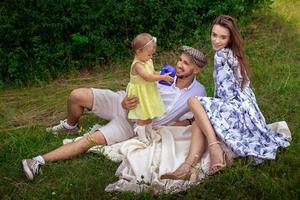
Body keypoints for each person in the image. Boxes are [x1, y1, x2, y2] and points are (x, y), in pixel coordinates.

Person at [21, 45, 208, 180]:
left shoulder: (198, 92)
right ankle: (71, 125)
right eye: (180, 60)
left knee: (87, 142)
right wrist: (127, 100)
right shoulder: (164, 75)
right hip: (122, 102)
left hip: (133, 124)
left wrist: (181, 124)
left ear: (197, 69)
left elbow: (198, 117)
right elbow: (137, 84)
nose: (180, 65)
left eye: (186, 63)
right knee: (76, 96)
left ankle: (37, 161)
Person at [161, 15, 290, 180]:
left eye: (222, 37)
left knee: (193, 102)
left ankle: (213, 150)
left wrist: (209, 110)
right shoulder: (233, 53)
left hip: (236, 107)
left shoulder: (221, 55)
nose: (216, 41)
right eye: (214, 35)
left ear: (230, 39)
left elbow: (227, 96)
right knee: (200, 120)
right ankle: (187, 166)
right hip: (247, 107)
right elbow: (244, 86)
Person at [126, 33, 174, 145]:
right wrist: (162, 77)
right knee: (142, 115)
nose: (151, 57)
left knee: (149, 113)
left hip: (148, 91)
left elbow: (152, 73)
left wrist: (162, 73)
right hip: (140, 93)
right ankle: (141, 136)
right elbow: (147, 77)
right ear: (138, 52)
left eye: (152, 55)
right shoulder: (137, 65)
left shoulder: (147, 60)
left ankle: (149, 131)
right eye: (149, 55)